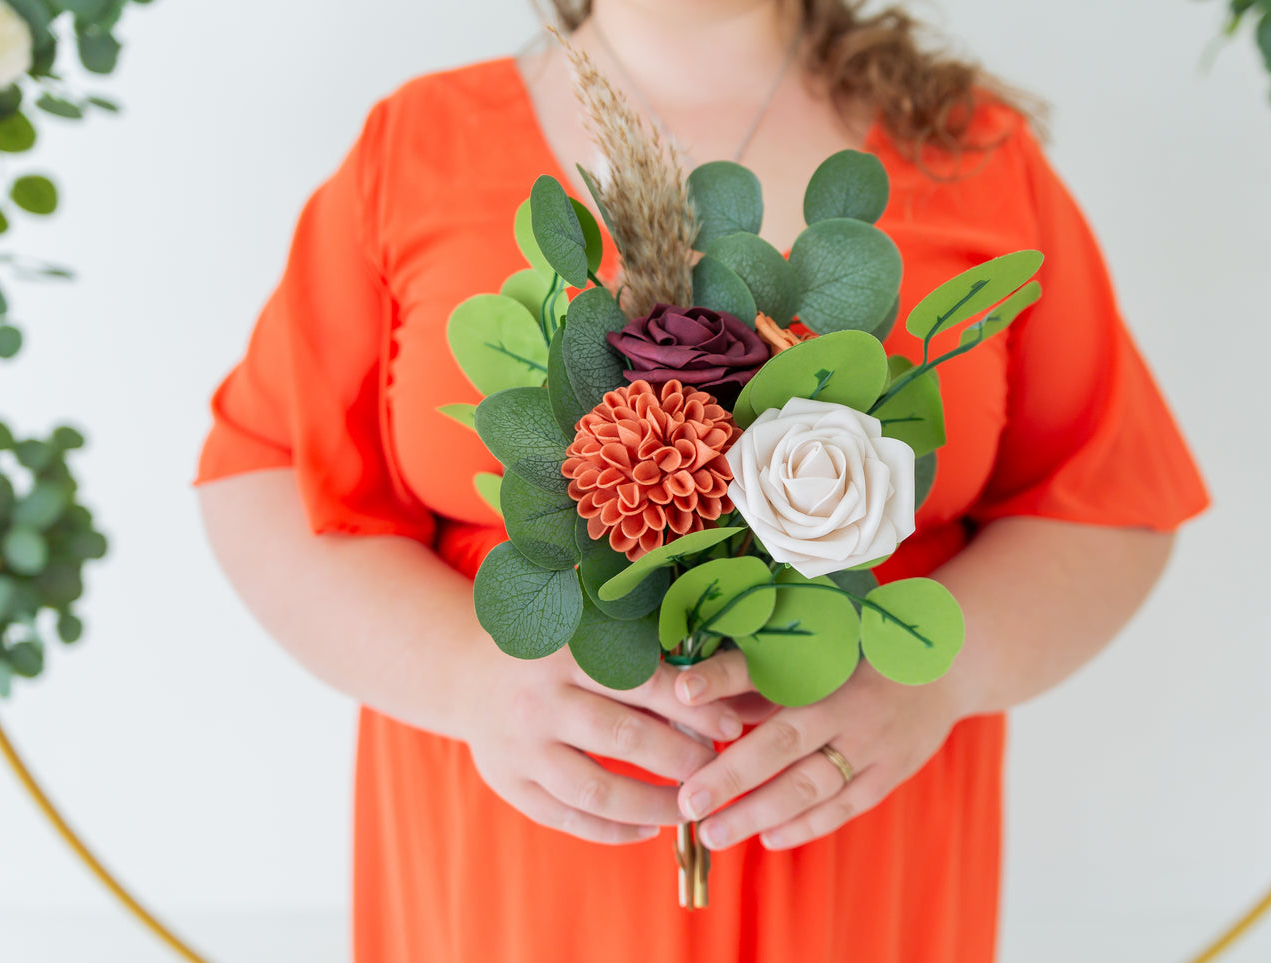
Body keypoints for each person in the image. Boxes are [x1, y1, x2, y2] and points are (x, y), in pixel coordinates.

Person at [194, 1, 1211, 961]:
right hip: (509, 889)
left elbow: (1106, 500)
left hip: (859, 868)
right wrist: (462, 676)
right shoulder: (414, 145)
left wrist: (938, 673)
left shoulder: (970, 149)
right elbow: (264, 475)